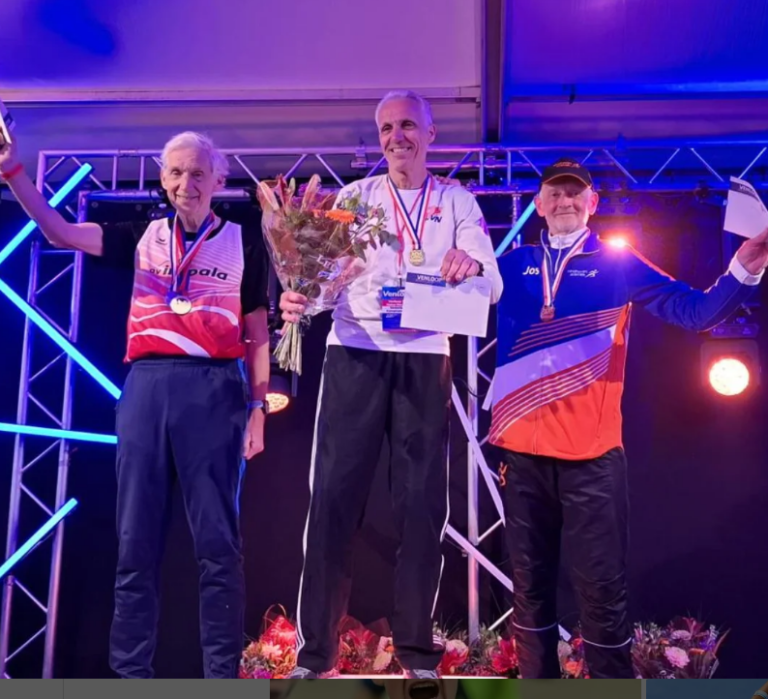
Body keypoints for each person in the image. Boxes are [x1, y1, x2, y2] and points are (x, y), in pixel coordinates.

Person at [0, 129, 271, 678]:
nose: (186, 183)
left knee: (219, 545)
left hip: (215, 387)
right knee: (135, 543)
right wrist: (13, 172)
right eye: (175, 172)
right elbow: (57, 230)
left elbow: (259, 333)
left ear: (218, 179)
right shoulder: (140, 235)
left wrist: (259, 405)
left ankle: (222, 676)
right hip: (147, 387)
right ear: (162, 178)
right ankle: (131, 679)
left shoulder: (244, 241)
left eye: (198, 172)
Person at [489, 158, 768, 678]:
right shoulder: (508, 265)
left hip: (591, 458)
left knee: (601, 593)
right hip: (522, 455)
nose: (565, 201)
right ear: (537, 204)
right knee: (528, 592)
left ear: (593, 204)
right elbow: (440, 301)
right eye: (555, 192)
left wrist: (747, 264)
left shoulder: (619, 263)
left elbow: (697, 312)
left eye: (577, 193)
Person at [279, 90, 503, 679]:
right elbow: (321, 283)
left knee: (423, 509)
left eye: (407, 125)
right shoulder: (352, 198)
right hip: (354, 353)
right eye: (386, 128)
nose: (396, 136)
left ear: (431, 133)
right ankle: (316, 656)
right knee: (331, 503)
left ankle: (416, 655)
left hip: (426, 355)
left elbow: (493, 277)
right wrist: (303, 291)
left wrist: (470, 264)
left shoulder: (456, 200)